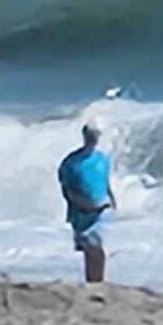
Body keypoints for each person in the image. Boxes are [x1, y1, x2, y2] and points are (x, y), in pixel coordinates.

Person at [58, 122, 115, 284]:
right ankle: (91, 280)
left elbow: (105, 181)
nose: (93, 138)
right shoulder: (71, 162)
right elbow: (67, 188)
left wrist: (112, 198)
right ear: (84, 136)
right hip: (80, 210)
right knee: (87, 247)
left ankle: (99, 280)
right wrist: (80, 203)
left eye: (95, 135)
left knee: (96, 244)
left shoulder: (103, 159)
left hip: (102, 207)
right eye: (90, 135)